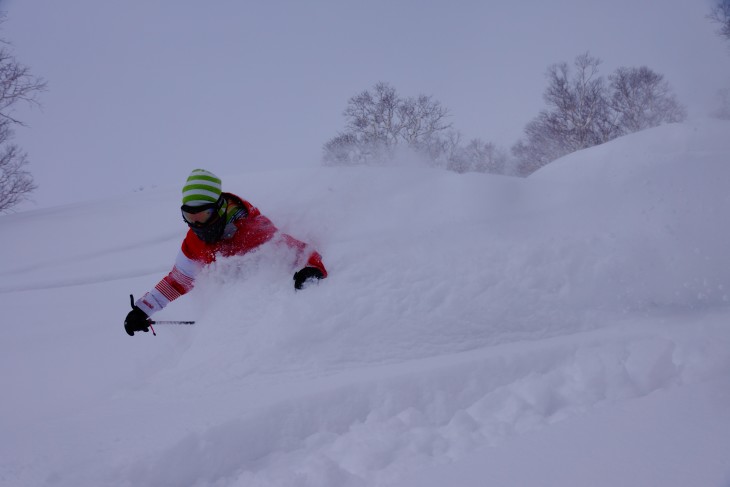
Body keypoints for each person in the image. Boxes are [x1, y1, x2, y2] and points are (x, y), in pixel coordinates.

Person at [124, 169, 327, 336]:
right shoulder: (194, 241)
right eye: (189, 216)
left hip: (268, 314)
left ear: (219, 208)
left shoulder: (250, 229)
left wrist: (311, 268)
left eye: (203, 215)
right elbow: (178, 281)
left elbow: (293, 249)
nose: (196, 223)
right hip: (233, 316)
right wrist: (144, 309)